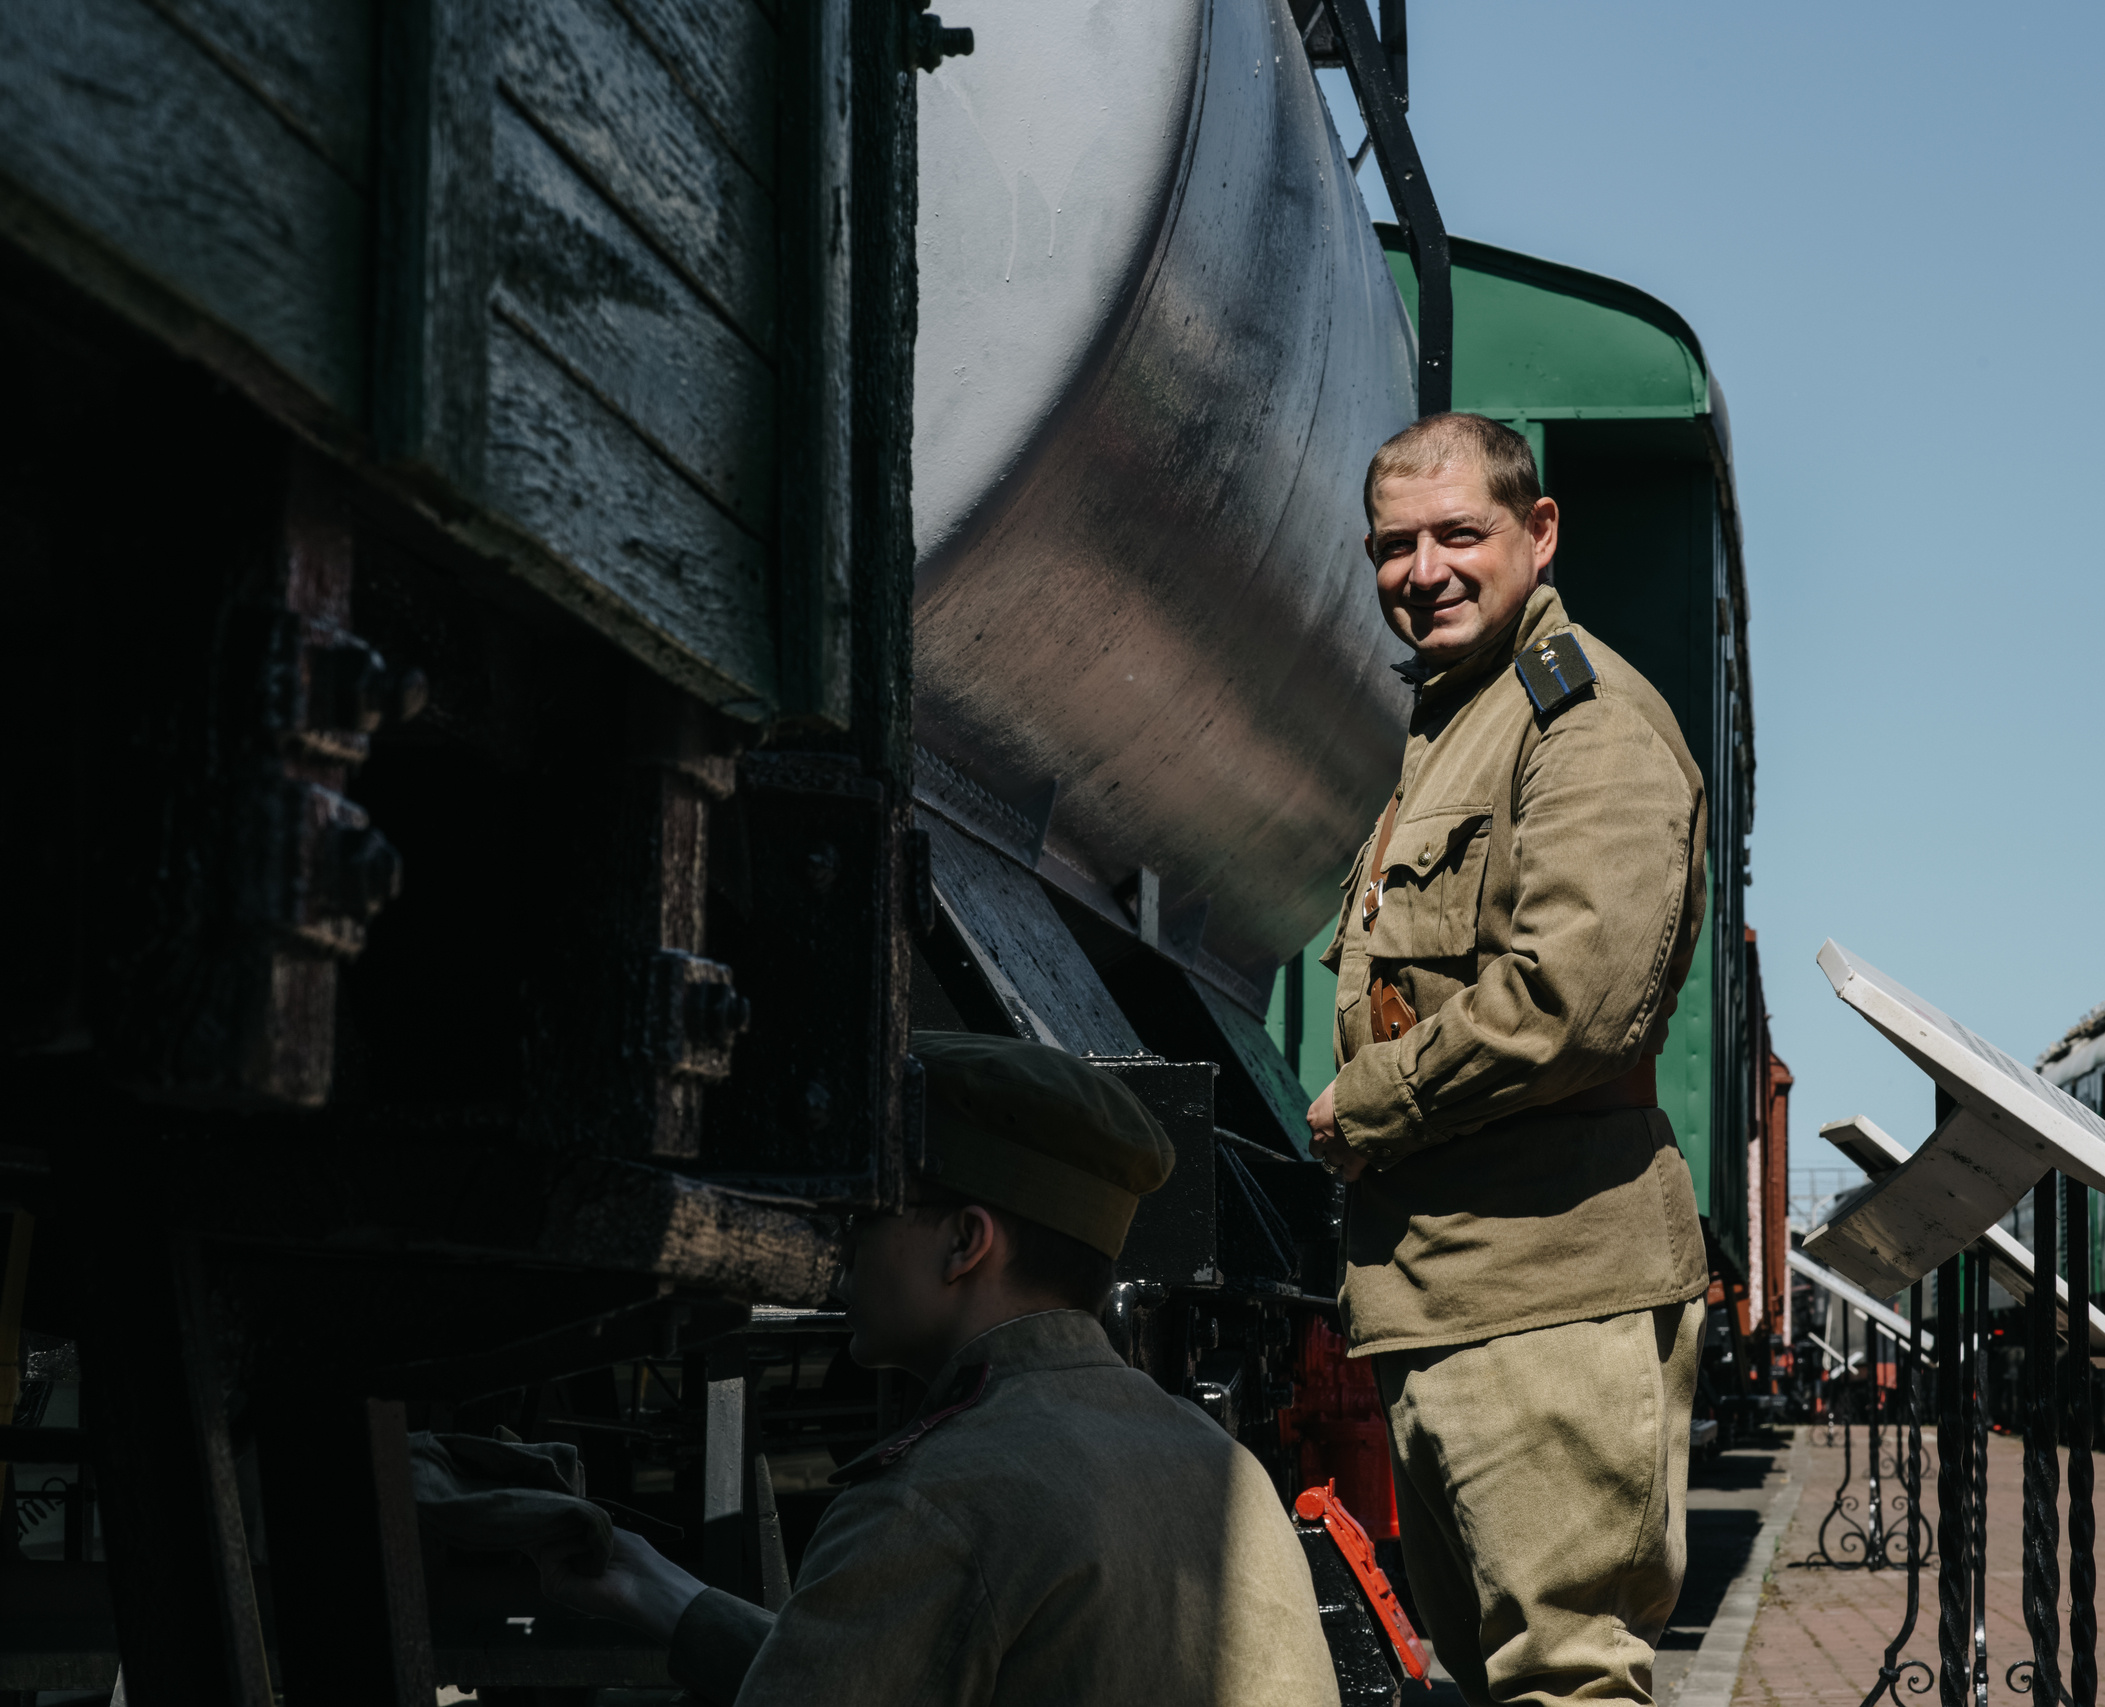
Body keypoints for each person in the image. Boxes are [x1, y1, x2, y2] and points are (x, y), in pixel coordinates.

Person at [539, 1030, 1340, 1706]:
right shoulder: (1220, 1465)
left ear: (965, 1241)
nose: (843, 1242)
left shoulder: (937, 1502)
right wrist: (659, 1592)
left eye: (868, 1210)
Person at [1304, 413, 1711, 1706]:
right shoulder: (1458, 725)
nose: (1422, 567)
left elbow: (1570, 999)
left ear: (1537, 535)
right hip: (1457, 1293)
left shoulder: (1585, 724)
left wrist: (1359, 1105)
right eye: (1394, 544)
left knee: (1564, 1678)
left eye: (1458, 533)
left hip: (1546, 1296)